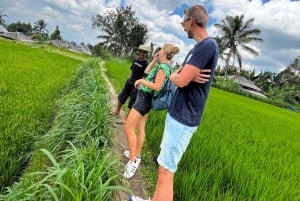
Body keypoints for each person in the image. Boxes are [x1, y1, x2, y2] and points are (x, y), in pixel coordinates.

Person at [128, 5, 219, 201]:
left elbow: (179, 80)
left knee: (166, 172)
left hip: (183, 118)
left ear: (191, 21)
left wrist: (181, 75)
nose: (183, 26)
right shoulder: (200, 47)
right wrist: (182, 74)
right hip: (178, 115)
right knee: (164, 169)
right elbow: (180, 77)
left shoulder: (207, 46)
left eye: (183, 21)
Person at [123, 44, 180, 179]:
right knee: (140, 128)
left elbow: (157, 86)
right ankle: (136, 155)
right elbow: (147, 73)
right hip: (145, 99)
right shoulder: (163, 66)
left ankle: (132, 162)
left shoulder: (163, 68)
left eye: (160, 50)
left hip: (143, 100)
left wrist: (142, 81)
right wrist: (154, 60)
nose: (158, 51)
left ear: (165, 52)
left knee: (128, 128)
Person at [112, 45, 149, 124]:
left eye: (144, 52)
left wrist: (139, 85)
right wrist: (128, 79)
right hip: (129, 82)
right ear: (139, 52)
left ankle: (126, 119)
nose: (142, 53)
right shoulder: (135, 60)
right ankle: (117, 112)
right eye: (141, 52)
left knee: (132, 102)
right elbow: (132, 70)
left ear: (146, 54)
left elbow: (144, 76)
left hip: (136, 86)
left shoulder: (146, 64)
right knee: (121, 97)